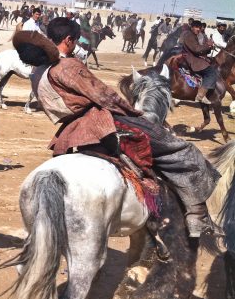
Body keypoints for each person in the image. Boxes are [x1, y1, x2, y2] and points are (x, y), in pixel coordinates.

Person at [26, 17, 220, 237]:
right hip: (100, 123)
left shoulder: (38, 70)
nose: (77, 44)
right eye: (76, 40)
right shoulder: (68, 66)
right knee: (182, 151)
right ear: (69, 40)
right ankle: (197, 217)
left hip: (68, 131)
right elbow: (104, 95)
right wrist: (134, 113)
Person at [181, 20, 216, 104]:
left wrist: (210, 46)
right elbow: (196, 49)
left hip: (196, 57)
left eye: (199, 28)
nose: (198, 29)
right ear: (192, 27)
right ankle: (200, 95)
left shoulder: (195, 35)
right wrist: (208, 45)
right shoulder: (189, 36)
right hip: (192, 59)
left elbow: (201, 49)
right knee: (211, 72)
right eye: (196, 27)